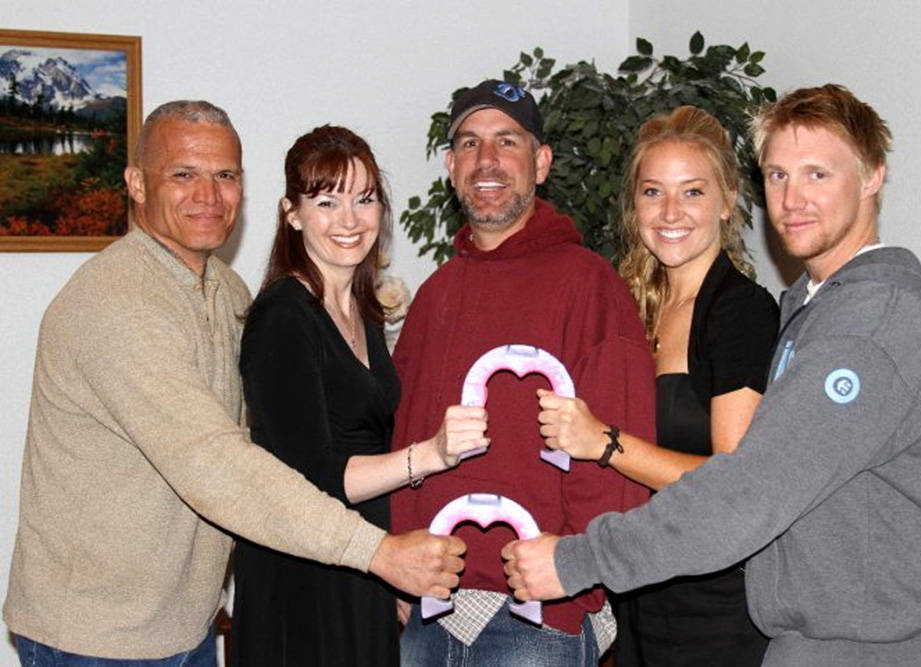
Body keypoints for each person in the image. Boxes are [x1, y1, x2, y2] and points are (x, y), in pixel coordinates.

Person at [503, 84, 921, 667]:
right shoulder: (815, 312)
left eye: (818, 174)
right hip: (804, 641)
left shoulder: (868, 330)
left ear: (871, 177)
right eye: (779, 175)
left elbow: (744, 491)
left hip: (867, 649)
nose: (793, 199)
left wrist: (577, 561)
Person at [3, 101, 465, 666]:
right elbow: (214, 463)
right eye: (183, 174)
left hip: (187, 622)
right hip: (95, 636)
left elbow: (265, 442)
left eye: (225, 175)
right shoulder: (117, 304)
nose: (208, 194)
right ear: (136, 184)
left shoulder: (225, 290)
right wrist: (378, 553)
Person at [389, 79, 656, 665]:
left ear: (540, 163)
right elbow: (405, 432)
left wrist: (579, 570)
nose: (486, 161)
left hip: (537, 619)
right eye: (469, 143)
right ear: (450, 165)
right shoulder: (435, 295)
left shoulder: (590, 286)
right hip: (432, 613)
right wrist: (400, 563)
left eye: (506, 142)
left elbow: (619, 451)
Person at [231, 125, 488, 667]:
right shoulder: (283, 317)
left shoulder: (360, 310)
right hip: (303, 576)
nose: (349, 220)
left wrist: (391, 563)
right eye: (327, 201)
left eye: (364, 199)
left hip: (361, 561)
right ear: (292, 213)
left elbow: (372, 437)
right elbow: (313, 476)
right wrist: (433, 456)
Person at [536, 106, 777, 666]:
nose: (671, 212)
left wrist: (606, 443)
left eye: (692, 192)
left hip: (715, 609)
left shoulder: (740, 312)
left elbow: (731, 481)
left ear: (728, 200)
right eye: (652, 192)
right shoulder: (629, 308)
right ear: (634, 205)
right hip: (638, 595)